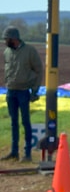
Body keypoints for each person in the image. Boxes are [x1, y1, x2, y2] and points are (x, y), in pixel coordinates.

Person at [1, 26, 43, 162]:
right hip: (11, 91)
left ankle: (27, 153)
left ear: (14, 39)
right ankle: (14, 152)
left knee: (26, 122)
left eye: (7, 39)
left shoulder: (30, 51)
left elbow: (39, 70)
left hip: (24, 92)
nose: (5, 42)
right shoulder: (7, 52)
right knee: (14, 122)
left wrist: (35, 90)